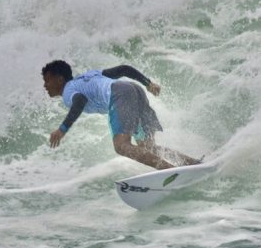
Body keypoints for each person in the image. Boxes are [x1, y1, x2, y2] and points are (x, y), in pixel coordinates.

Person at [41, 60, 200, 170]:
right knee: (148, 147)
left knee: (121, 146)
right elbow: (124, 69)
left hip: (119, 95)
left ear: (60, 79)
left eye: (47, 80)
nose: (45, 85)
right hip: (135, 89)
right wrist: (148, 83)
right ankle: (192, 163)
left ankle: (171, 170)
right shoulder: (89, 76)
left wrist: (62, 129)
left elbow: (80, 101)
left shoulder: (68, 91)